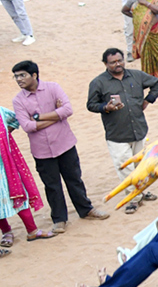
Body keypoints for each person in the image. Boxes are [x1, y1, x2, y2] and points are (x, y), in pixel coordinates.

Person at [11, 61, 109, 235]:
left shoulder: (53, 88)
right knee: (52, 186)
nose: (19, 79)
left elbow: (68, 110)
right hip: (41, 151)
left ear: (34, 75)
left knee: (74, 179)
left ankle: (86, 210)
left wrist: (39, 117)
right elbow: (27, 126)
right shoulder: (18, 100)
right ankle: (59, 219)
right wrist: (56, 117)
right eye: (16, 76)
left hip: (64, 143)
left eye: (22, 75)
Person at [85, 48, 158, 215]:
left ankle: (142, 191)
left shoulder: (136, 75)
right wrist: (105, 107)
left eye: (120, 60)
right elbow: (91, 105)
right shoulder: (98, 83)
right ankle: (133, 198)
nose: (117, 64)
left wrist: (148, 100)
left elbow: (157, 83)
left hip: (139, 129)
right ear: (105, 64)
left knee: (141, 165)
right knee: (125, 167)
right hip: (117, 135)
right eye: (113, 62)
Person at [0, 100, 47, 253]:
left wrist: (5, 136)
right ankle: (6, 232)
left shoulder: (1, 112)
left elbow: (15, 119)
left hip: (6, 164)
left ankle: (32, 230)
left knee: (17, 193)